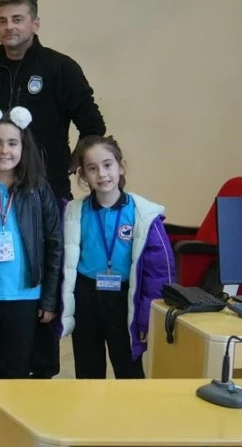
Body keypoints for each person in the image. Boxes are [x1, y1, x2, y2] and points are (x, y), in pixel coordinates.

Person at [0, 107, 62, 382]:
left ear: (23, 148)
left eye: (12, 143)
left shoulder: (38, 188)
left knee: (15, 373)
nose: (4, 150)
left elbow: (55, 244)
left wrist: (49, 298)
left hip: (25, 297)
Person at [0, 0, 106, 201]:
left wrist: (70, 165)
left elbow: (93, 127)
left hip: (48, 188)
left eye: (17, 19)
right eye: (2, 21)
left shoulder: (60, 67)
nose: (9, 27)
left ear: (35, 24)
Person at [62, 136, 173, 380]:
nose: (102, 174)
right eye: (92, 168)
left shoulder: (144, 214)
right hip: (86, 297)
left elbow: (158, 273)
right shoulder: (73, 212)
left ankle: (131, 406)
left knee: (128, 369)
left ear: (121, 167)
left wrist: (146, 318)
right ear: (83, 175)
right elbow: (64, 261)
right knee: (87, 369)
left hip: (125, 298)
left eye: (107, 165)